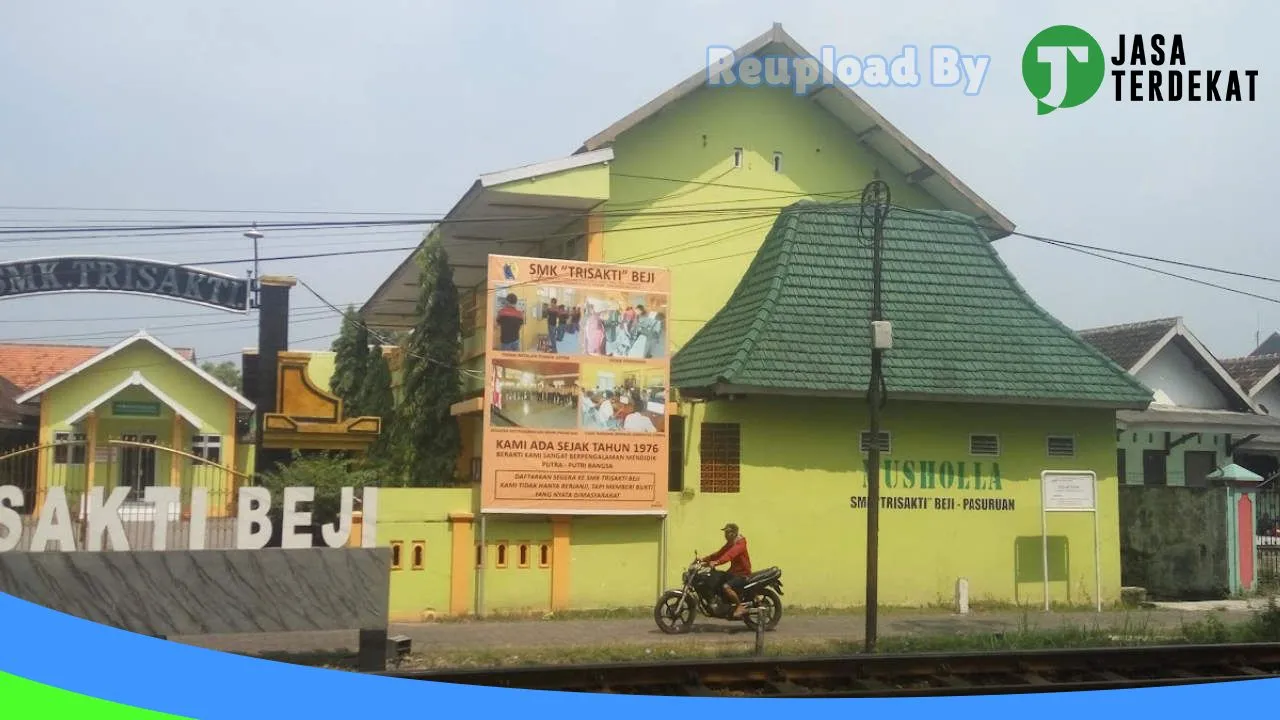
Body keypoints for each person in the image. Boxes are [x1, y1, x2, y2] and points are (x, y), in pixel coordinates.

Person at [701, 523, 752, 618]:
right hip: (734, 572)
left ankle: (739, 606)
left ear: (733, 533)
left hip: (742, 574)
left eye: (727, 532)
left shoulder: (740, 544)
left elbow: (730, 555)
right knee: (717, 578)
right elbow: (720, 553)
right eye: (725, 532)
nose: (725, 535)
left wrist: (717, 562)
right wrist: (704, 560)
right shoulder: (731, 543)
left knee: (726, 587)